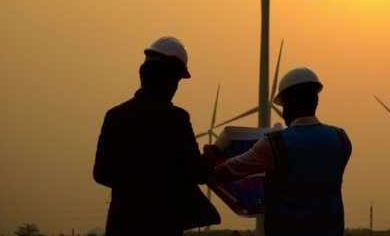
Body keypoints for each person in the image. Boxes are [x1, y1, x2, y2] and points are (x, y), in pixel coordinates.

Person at [94, 36, 220, 236]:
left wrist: (132, 186)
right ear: (170, 79)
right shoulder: (176, 118)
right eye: (177, 79)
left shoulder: (114, 116)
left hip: (120, 225)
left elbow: (100, 173)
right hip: (162, 226)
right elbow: (198, 173)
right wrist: (212, 155)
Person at [206, 67, 352, 236]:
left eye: (283, 104)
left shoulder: (275, 143)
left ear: (290, 102)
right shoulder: (341, 139)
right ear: (316, 101)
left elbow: (228, 171)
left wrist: (212, 155)